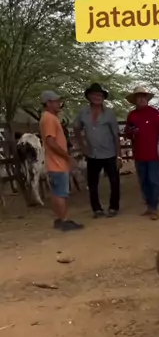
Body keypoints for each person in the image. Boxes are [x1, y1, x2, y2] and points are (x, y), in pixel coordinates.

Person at [73, 83, 121, 218]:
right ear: (89, 96)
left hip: (110, 153)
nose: (97, 97)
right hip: (92, 154)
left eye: (99, 95)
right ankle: (96, 209)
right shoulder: (83, 112)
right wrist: (82, 145)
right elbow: (76, 127)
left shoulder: (109, 114)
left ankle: (113, 207)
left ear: (103, 97)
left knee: (114, 182)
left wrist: (119, 156)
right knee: (92, 183)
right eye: (94, 95)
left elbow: (116, 135)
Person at [39, 91, 83, 232]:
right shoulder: (49, 119)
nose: (59, 103)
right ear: (48, 103)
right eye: (56, 101)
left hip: (53, 162)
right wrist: (67, 157)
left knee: (56, 192)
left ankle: (59, 218)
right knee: (61, 193)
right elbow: (51, 142)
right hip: (57, 163)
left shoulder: (48, 118)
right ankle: (65, 220)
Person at [124, 86, 159, 220]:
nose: (141, 99)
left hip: (153, 154)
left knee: (154, 180)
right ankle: (149, 205)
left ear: (147, 99)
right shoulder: (132, 115)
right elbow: (127, 133)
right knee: (143, 181)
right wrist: (131, 132)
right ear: (135, 100)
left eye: (143, 97)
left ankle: (154, 207)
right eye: (138, 97)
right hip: (139, 154)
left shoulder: (155, 114)